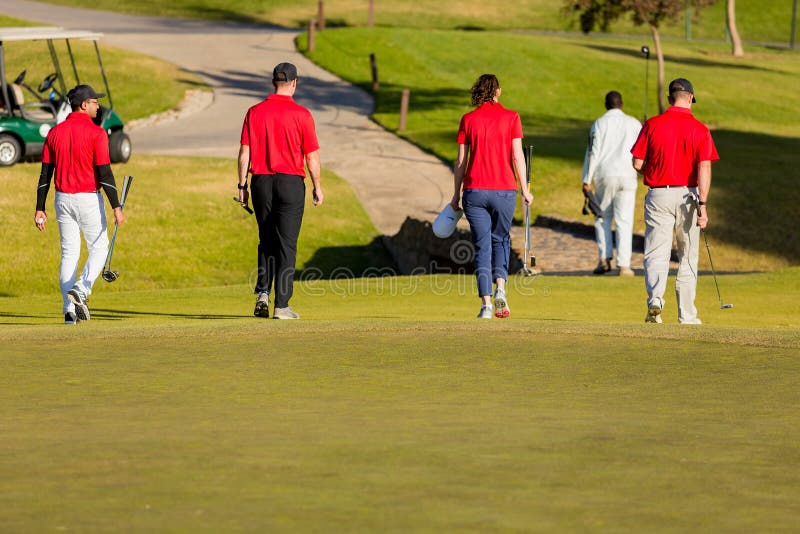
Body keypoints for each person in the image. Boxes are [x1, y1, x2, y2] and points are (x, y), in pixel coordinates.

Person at [237, 62, 323, 320]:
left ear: (273, 82)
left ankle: (263, 291)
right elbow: (312, 157)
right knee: (286, 244)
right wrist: (317, 186)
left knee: (266, 240)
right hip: (290, 183)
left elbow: (244, 153)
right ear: (294, 83)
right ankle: (281, 306)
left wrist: (242, 186)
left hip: (261, 181)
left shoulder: (254, 112)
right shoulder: (302, 115)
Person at [34, 84, 125, 324]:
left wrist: (39, 208)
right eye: (95, 102)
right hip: (88, 199)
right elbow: (105, 174)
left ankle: (69, 311)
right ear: (84, 105)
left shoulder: (54, 133)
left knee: (69, 254)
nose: (98, 106)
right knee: (99, 248)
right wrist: (116, 206)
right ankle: (82, 290)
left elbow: (45, 175)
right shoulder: (97, 133)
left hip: (61, 199)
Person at [631, 78, 719, 324]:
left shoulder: (652, 124)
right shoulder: (700, 129)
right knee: (687, 254)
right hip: (688, 196)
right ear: (690, 98)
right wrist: (703, 205)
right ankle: (686, 313)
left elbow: (638, 163)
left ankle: (655, 300)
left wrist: (653, 171)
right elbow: (704, 168)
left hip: (658, 193)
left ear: (670, 98)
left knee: (656, 252)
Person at [450, 74, 533, 319]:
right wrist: (525, 190)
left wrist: (455, 195)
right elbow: (518, 156)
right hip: (504, 190)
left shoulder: (468, 119)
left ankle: (486, 304)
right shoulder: (512, 118)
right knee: (501, 240)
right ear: (497, 91)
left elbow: (461, 162)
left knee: (481, 245)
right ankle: (501, 290)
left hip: (474, 191)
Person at [581, 91, 641, 276]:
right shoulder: (634, 123)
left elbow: (593, 152)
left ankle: (604, 259)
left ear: (606, 104)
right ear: (621, 104)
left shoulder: (600, 123)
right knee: (625, 220)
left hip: (605, 175)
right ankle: (624, 265)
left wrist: (586, 179)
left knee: (602, 217)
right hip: (628, 175)